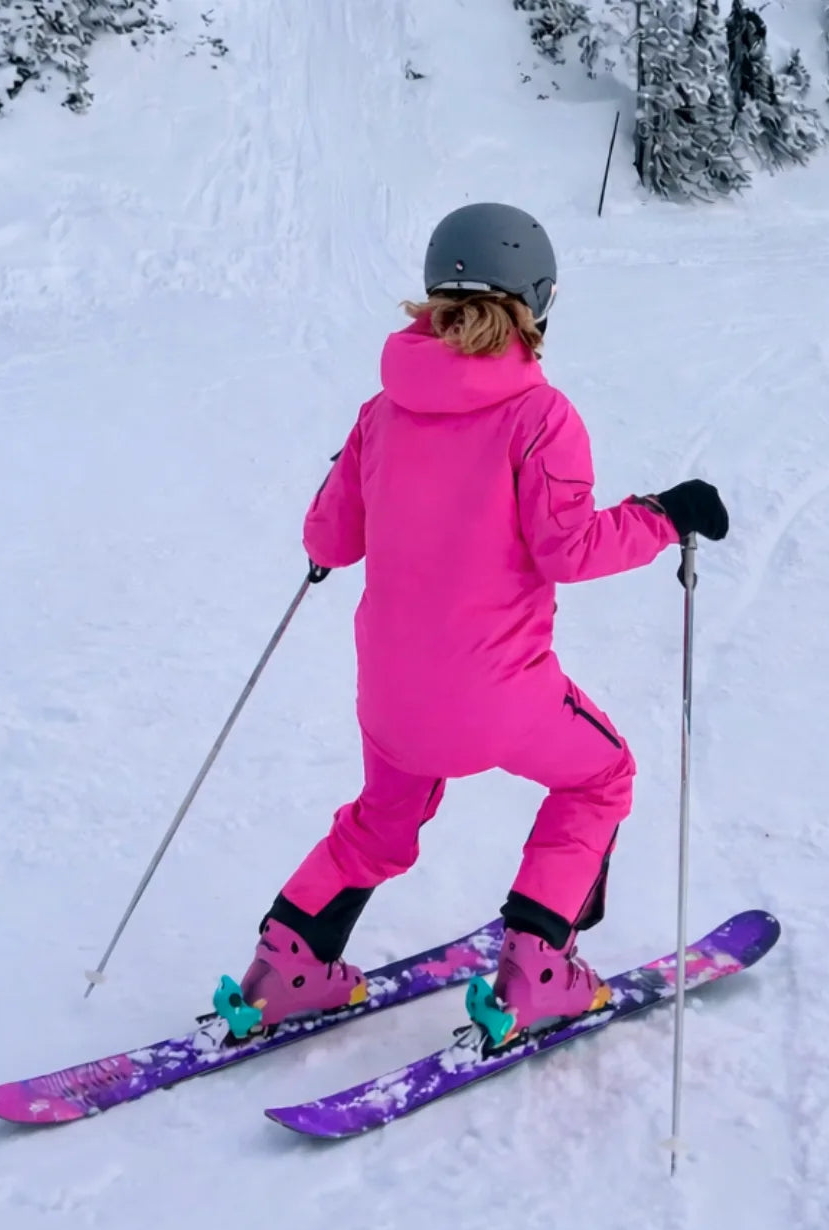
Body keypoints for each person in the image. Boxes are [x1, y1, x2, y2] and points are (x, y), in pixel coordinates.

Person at [238, 202, 728, 1039]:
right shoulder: (540, 417)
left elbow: (329, 540)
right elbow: (569, 549)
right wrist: (662, 515)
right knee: (600, 776)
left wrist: (355, 471)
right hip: (500, 698)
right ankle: (539, 971)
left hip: (390, 697)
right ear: (538, 299)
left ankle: (285, 969)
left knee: (381, 822)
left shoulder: (381, 412)